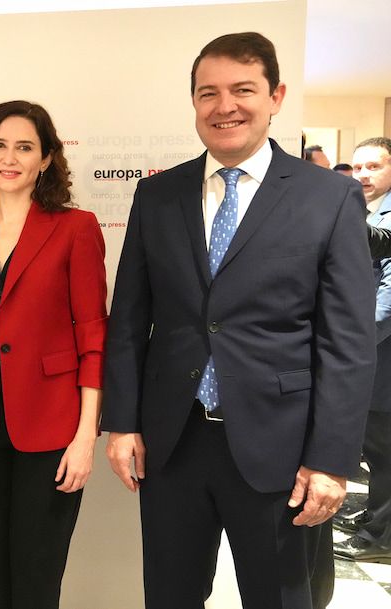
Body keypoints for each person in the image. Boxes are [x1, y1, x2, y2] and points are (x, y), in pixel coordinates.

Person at [101, 32, 375, 609]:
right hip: (173, 442)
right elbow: (128, 320)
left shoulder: (329, 197)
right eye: (209, 93)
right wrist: (122, 423)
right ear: (195, 103)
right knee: (169, 597)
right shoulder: (156, 195)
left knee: (279, 598)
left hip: (282, 448)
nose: (224, 106)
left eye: (242, 89)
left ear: (275, 96)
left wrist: (330, 462)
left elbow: (347, 343)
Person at [0, 100, 107, 609]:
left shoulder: (75, 227)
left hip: (52, 429)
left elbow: (93, 338)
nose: (10, 158)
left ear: (47, 158)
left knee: (36, 578)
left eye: (25, 147)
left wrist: (84, 438)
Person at [334, 136, 391, 563]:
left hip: (381, 357)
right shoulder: (373, 210)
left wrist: (347, 344)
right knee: (376, 448)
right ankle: (375, 516)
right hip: (372, 359)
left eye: (373, 166)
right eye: (357, 167)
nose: (363, 175)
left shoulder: (383, 221)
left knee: (386, 450)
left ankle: (382, 537)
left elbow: (387, 303)